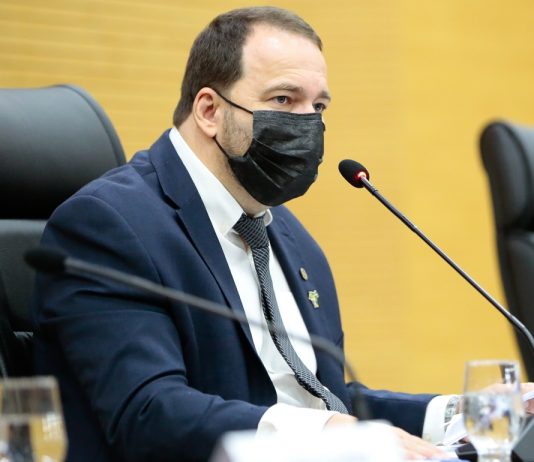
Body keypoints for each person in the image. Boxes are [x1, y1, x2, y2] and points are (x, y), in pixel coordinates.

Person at [32, 6, 533, 462]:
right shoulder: (110, 225)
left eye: (319, 107)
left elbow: (323, 399)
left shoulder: (284, 232)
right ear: (209, 110)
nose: (307, 124)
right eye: (283, 99)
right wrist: (329, 434)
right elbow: (149, 413)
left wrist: (464, 413)